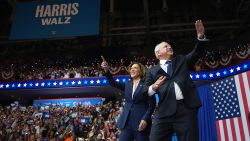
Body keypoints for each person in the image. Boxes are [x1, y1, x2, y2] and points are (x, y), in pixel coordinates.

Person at [145, 20, 208, 141]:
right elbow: (144, 91)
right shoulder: (152, 71)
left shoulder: (181, 60)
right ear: (158, 53)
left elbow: (197, 53)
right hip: (164, 110)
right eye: (165, 46)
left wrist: (200, 38)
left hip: (186, 109)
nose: (169, 47)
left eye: (169, 45)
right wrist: (153, 87)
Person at [101, 57, 156, 141]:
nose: (132, 70)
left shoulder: (146, 84)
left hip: (140, 123)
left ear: (141, 71)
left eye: (135, 68)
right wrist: (106, 70)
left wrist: (145, 119)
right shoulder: (127, 84)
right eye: (131, 68)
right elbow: (113, 83)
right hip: (127, 123)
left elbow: (152, 104)